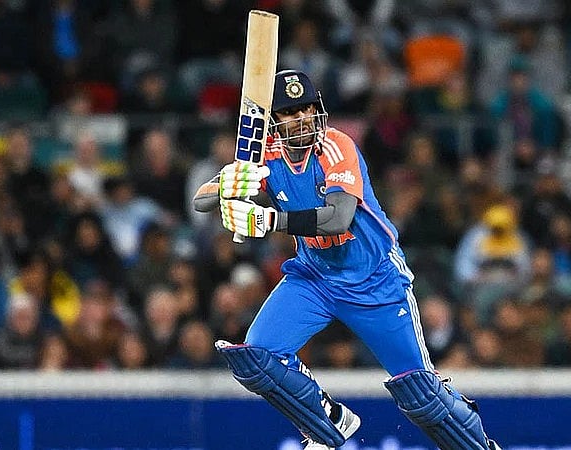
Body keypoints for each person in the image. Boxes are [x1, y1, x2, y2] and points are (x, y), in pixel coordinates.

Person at [192, 69, 502, 450]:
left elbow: (337, 217)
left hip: (376, 280)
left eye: (306, 108)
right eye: (290, 112)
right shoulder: (264, 157)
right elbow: (200, 201)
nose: (302, 118)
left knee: (421, 394)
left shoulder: (337, 147)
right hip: (315, 278)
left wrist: (270, 219)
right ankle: (329, 424)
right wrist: (229, 183)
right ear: (275, 121)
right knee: (256, 359)